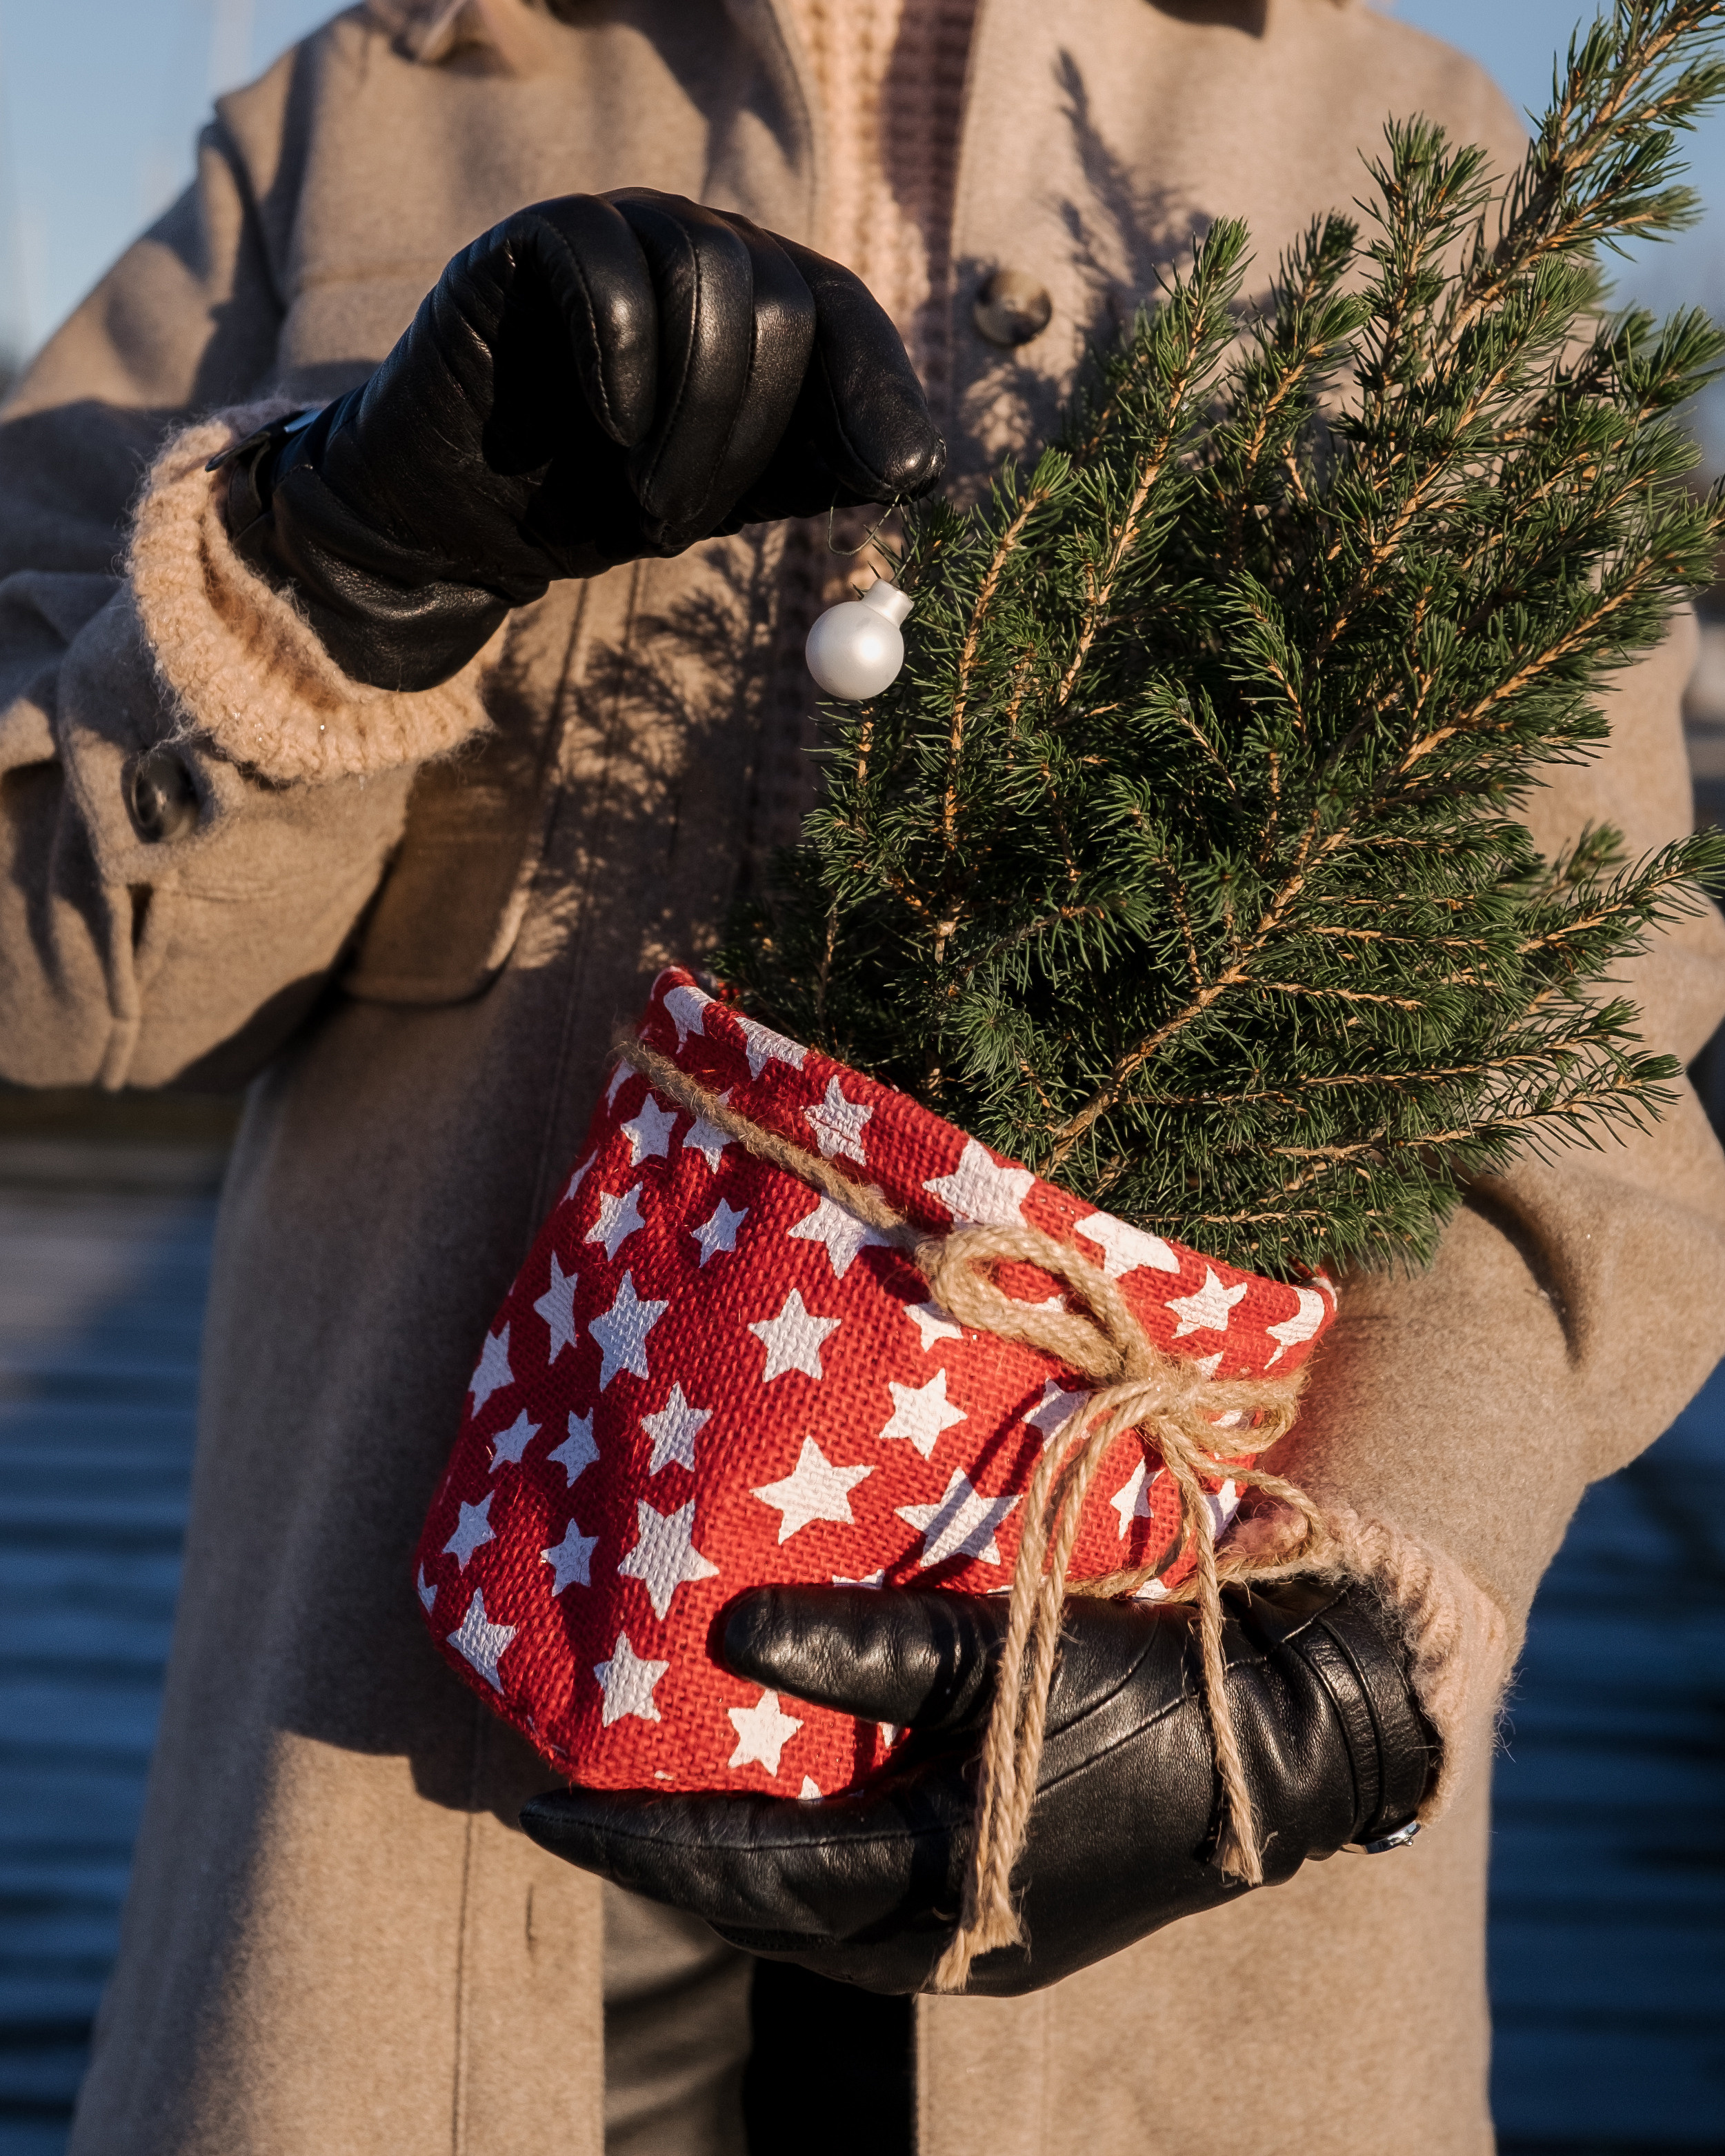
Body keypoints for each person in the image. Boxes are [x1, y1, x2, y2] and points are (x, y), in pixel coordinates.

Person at [2, 2, 1722, 2151]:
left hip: (1149, 1851)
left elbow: (1581, 1032)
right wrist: (338, 548)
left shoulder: (1411, 138)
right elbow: (50, 987)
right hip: (393, 1872)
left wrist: (1359, 1621)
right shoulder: (368, 114)